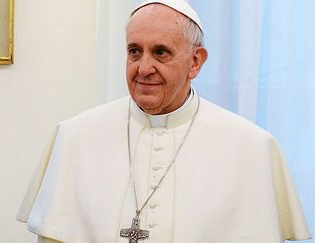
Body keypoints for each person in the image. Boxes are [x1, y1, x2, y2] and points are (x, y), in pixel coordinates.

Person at [17, 0, 311, 242]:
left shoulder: (252, 147)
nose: (144, 68)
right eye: (135, 51)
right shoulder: (75, 137)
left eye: (160, 52)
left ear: (195, 61)